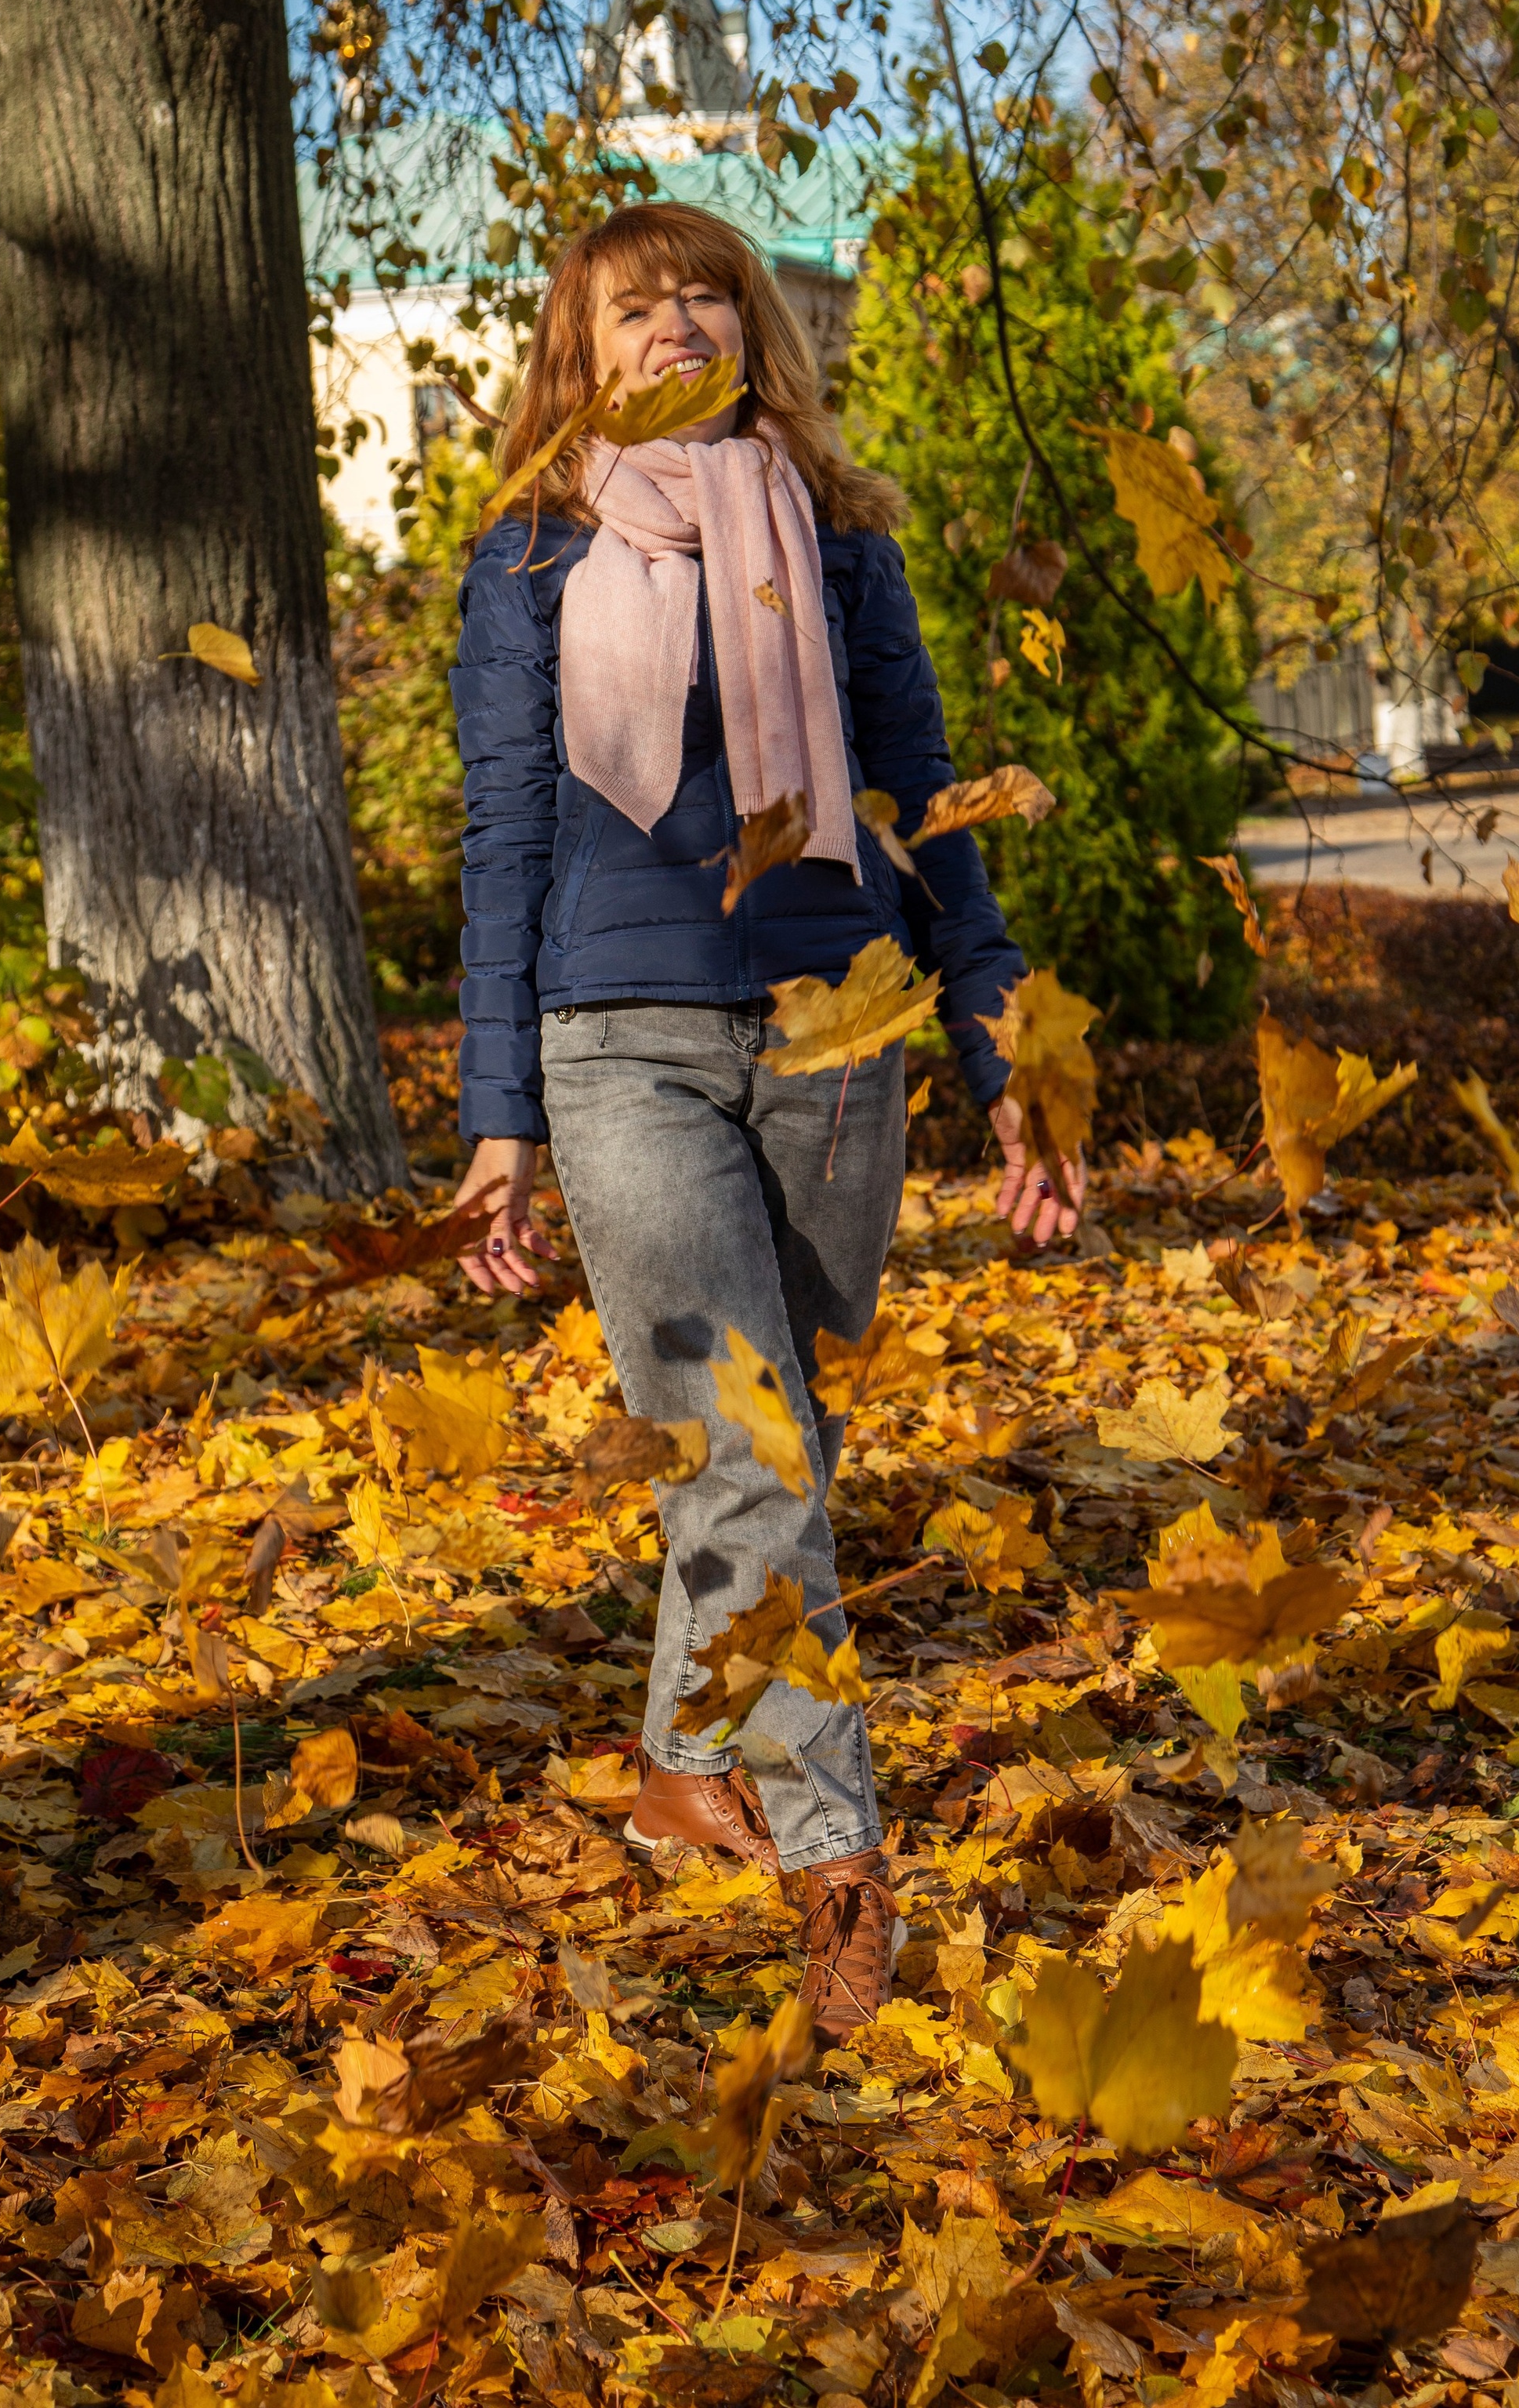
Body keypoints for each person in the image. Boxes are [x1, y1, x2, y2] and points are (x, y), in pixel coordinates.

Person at [447, 201, 1084, 2036]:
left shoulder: (838, 543)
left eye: (702, 293)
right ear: (580, 357)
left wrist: (1001, 1059)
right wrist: (499, 1118)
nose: (675, 325)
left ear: (752, 326)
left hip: (837, 1030)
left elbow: (927, 811)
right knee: (751, 1452)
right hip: (616, 1035)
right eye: (632, 309)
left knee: (769, 1426)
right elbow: (501, 842)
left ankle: (674, 1761)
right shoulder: (535, 559)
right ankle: (837, 1859)